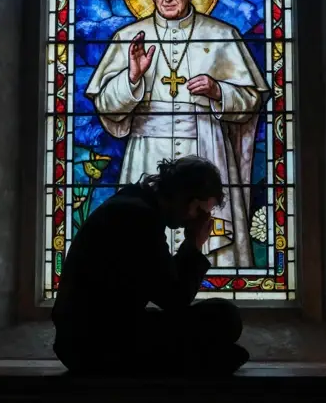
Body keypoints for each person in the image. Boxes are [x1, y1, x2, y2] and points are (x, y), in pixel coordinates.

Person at [85, 0, 270, 268]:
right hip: (147, 150)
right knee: (141, 245)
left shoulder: (222, 35)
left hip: (207, 147)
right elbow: (105, 106)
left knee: (210, 240)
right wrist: (132, 77)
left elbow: (252, 101)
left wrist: (218, 91)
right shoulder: (128, 38)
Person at [51, 156, 249, 376]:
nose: (199, 221)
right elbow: (175, 299)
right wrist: (194, 243)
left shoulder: (133, 204)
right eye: (201, 212)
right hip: (94, 344)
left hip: (90, 335)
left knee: (220, 325)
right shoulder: (138, 217)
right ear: (186, 197)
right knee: (224, 318)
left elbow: (163, 284)